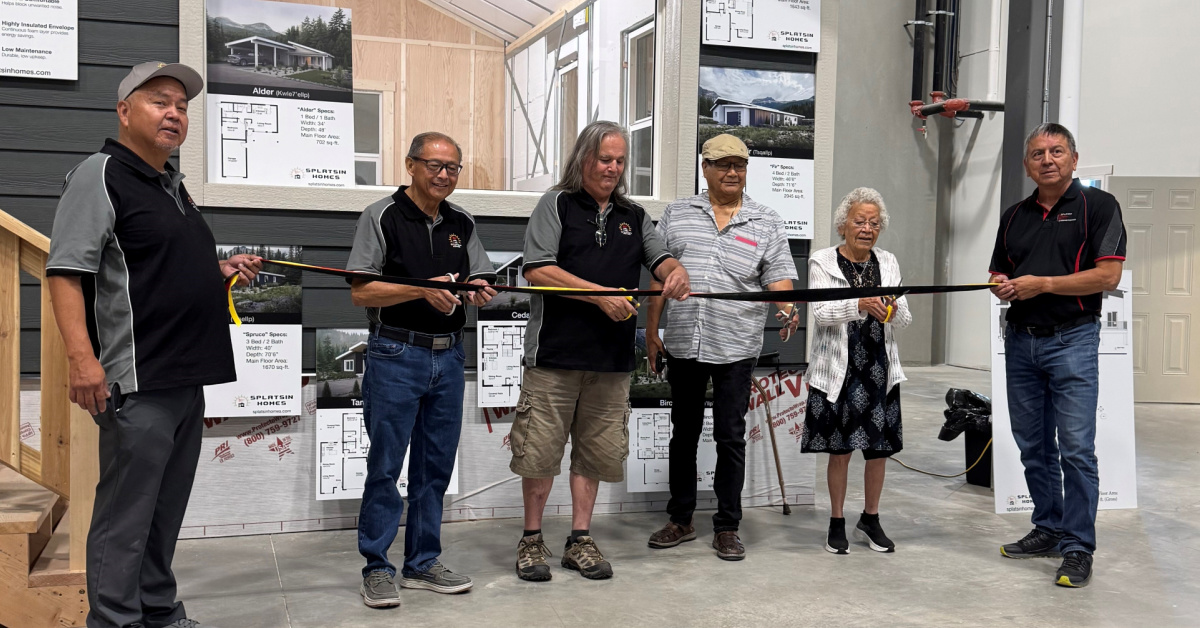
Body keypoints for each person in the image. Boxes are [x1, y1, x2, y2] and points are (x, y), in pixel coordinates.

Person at [45, 61, 263, 628]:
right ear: (124, 112)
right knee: (126, 514)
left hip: (186, 374)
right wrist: (81, 359)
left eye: (182, 106)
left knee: (163, 512)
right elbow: (66, 271)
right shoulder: (100, 174)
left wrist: (219, 269)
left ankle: (159, 612)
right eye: (159, 101)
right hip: (137, 380)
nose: (174, 113)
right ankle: (115, 621)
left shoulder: (170, 184)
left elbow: (154, 265)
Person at [509, 120, 691, 581]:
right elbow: (538, 269)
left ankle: (579, 540)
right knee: (539, 455)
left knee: (594, 456)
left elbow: (660, 256)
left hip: (611, 363)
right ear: (583, 159)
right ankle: (531, 541)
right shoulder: (556, 203)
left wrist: (676, 272)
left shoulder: (634, 214)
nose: (613, 168)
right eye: (605, 159)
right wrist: (599, 295)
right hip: (554, 357)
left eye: (620, 160)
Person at [346, 132, 497, 608]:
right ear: (410, 165)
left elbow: (481, 275)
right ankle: (376, 566)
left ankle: (422, 563)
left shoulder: (462, 222)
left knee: (435, 468)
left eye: (452, 167)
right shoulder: (381, 216)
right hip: (396, 353)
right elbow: (361, 291)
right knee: (386, 466)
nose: (444, 175)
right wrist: (419, 290)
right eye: (434, 165)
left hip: (450, 357)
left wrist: (478, 290)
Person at [643, 134, 800, 561]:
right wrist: (652, 333)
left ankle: (728, 526)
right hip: (683, 343)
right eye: (723, 164)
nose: (733, 172)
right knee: (684, 434)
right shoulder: (676, 214)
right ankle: (681, 518)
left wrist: (787, 309)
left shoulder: (766, 220)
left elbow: (779, 277)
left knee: (731, 436)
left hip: (736, 346)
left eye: (741, 165)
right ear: (705, 167)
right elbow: (658, 279)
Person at [989, 123, 1125, 588]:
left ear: (1073, 157)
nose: (1047, 159)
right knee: (1033, 447)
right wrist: (1001, 286)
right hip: (1021, 341)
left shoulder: (1099, 207)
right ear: (1027, 164)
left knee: (1076, 450)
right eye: (1037, 154)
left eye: (1056, 151)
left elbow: (1107, 278)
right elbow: (998, 273)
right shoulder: (1014, 215)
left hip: (1073, 340)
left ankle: (1078, 546)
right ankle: (1047, 528)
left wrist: (1042, 284)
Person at [803, 187, 911, 556]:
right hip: (839, 369)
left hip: (880, 367)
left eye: (874, 223)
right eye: (859, 221)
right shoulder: (822, 261)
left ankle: (871, 517)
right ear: (843, 225)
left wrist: (890, 311)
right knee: (841, 449)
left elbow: (905, 315)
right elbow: (820, 313)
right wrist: (861, 304)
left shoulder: (889, 262)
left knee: (878, 450)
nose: (867, 228)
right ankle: (836, 521)